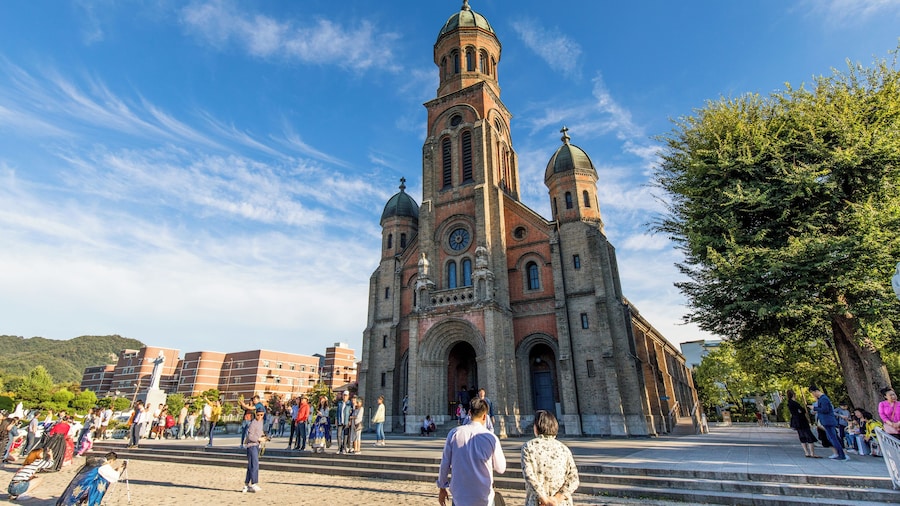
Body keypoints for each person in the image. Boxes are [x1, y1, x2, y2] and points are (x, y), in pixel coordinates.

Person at [437, 397, 506, 506]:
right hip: (484, 498)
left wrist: (442, 487)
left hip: (460, 498)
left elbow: (445, 463)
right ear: (485, 416)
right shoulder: (491, 438)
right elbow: (501, 468)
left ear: (469, 413)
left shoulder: (454, 433)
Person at [521, 410, 580, 506]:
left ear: (536, 427)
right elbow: (574, 479)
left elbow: (529, 476)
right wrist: (557, 498)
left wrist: (544, 499)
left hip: (538, 502)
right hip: (561, 503)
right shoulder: (563, 449)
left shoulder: (529, 447)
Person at [56, 451, 126, 505]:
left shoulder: (98, 461)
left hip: (81, 483)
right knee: (103, 482)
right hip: (87, 486)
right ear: (111, 461)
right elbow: (113, 477)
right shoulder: (104, 466)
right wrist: (119, 470)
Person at [809, 385, 848, 460]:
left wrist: (815, 408)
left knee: (833, 438)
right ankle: (840, 454)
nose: (813, 395)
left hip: (828, 421)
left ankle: (841, 454)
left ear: (815, 391)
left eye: (812, 393)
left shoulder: (824, 399)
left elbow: (825, 409)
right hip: (826, 421)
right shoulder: (822, 399)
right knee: (832, 438)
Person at [786, 389, 819, 458]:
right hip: (801, 420)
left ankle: (806, 452)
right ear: (793, 395)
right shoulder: (795, 403)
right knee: (809, 435)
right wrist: (801, 411)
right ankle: (812, 453)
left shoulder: (789, 403)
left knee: (801, 436)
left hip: (796, 421)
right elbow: (803, 410)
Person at [241, 408, 267, 493]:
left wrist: (264, 436)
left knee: (250, 466)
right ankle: (254, 483)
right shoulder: (253, 423)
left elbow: (260, 431)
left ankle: (246, 485)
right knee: (254, 464)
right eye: (258, 415)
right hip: (251, 446)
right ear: (255, 414)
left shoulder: (261, 422)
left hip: (256, 446)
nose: (260, 416)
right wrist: (259, 439)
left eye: (261, 415)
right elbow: (250, 436)